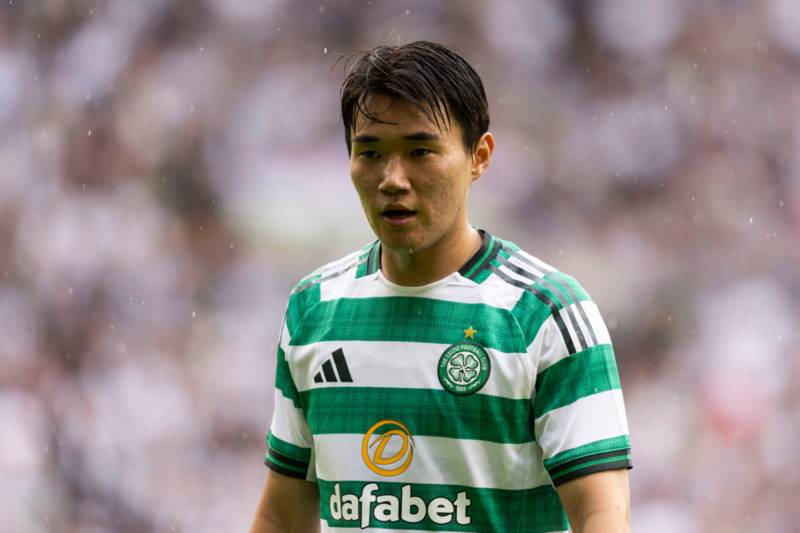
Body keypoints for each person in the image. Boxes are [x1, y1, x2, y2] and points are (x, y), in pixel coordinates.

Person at [249, 41, 632, 533]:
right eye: (370, 152)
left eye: (420, 151)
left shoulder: (546, 313)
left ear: (479, 156)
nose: (392, 179)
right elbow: (282, 514)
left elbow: (602, 515)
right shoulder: (313, 309)